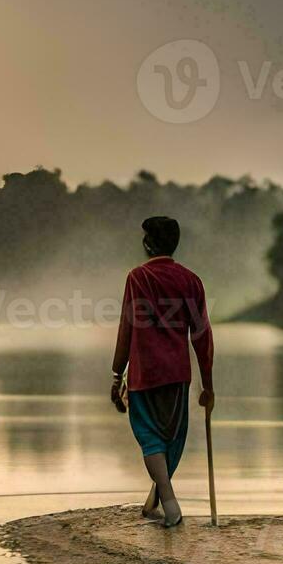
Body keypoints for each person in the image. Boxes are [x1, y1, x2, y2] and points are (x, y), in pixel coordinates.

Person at [110, 216, 214, 529]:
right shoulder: (191, 280)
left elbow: (127, 327)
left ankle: (169, 502)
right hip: (177, 375)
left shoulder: (137, 278)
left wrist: (117, 376)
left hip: (144, 374)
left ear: (147, 244)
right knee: (170, 438)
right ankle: (153, 502)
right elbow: (202, 335)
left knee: (150, 438)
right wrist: (207, 384)